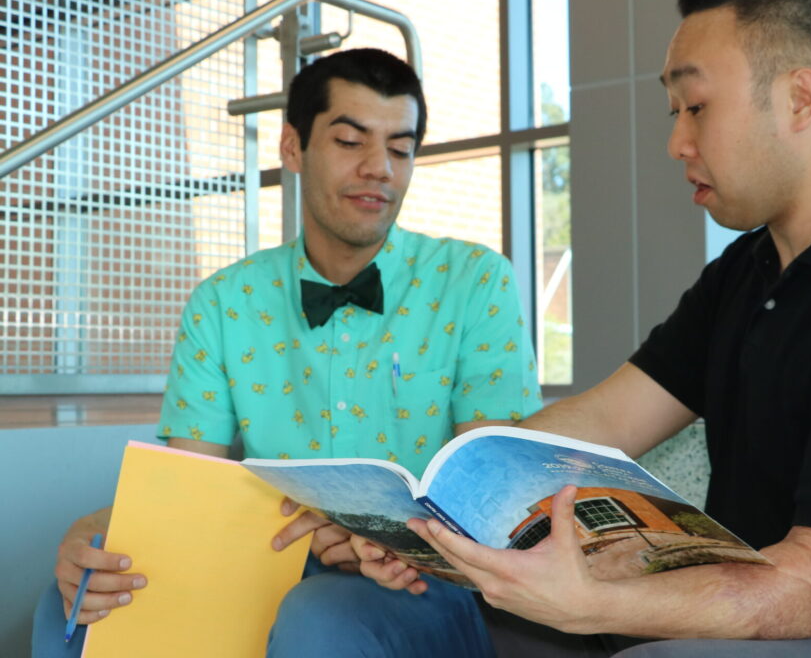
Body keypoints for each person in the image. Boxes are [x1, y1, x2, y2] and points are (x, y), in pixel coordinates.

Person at [382, 0, 811, 658]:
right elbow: (601, 422)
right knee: (451, 617)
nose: (676, 142)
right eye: (674, 112)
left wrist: (596, 603)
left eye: (697, 108)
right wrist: (425, 519)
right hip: (759, 601)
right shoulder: (751, 269)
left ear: (800, 99)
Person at [32, 47, 543, 658]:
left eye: (400, 148)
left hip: (428, 583)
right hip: (267, 564)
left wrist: (373, 535)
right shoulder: (224, 301)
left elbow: (495, 496)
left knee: (319, 614)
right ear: (293, 148)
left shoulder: (474, 281)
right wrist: (91, 536)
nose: (380, 167)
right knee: (76, 603)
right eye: (351, 141)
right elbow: (188, 485)